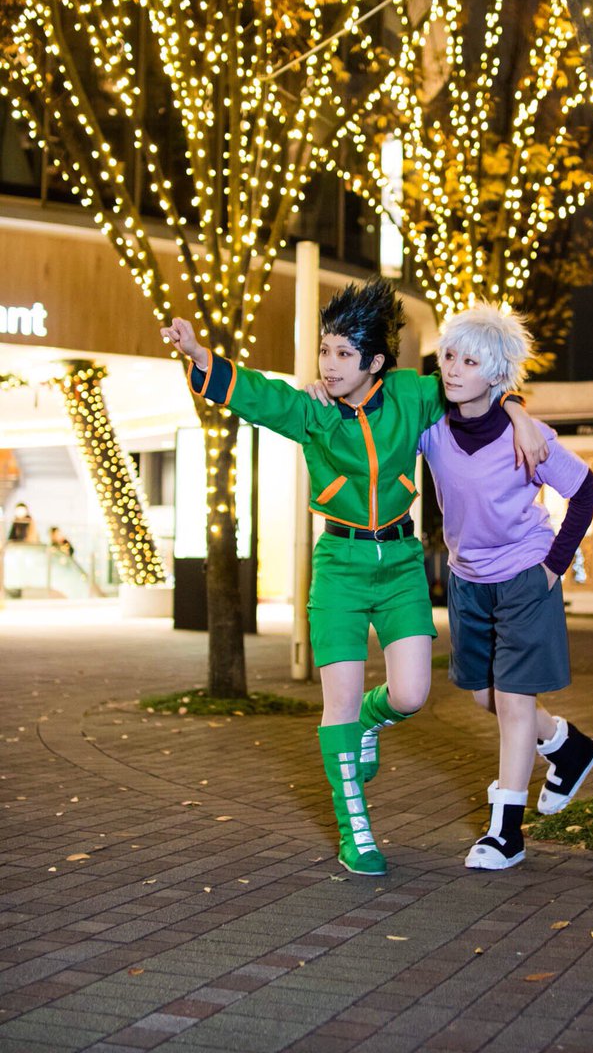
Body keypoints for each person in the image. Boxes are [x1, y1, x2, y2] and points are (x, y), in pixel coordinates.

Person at [160, 279, 547, 877]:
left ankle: (370, 723)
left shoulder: (413, 395)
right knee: (336, 704)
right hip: (339, 566)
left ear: (376, 363)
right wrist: (198, 355)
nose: (330, 364)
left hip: (400, 564)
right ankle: (354, 832)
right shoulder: (312, 410)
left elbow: (474, 387)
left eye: (345, 353)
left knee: (411, 695)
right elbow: (257, 394)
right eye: (325, 351)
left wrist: (518, 412)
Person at [417, 302, 593, 870]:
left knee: (515, 701)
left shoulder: (529, 437)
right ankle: (568, 747)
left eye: (470, 362)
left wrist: (553, 565)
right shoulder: (431, 430)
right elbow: (379, 409)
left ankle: (506, 834)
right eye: (450, 356)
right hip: (467, 580)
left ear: (496, 373)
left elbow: (586, 490)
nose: (453, 369)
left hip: (525, 574)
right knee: (486, 697)